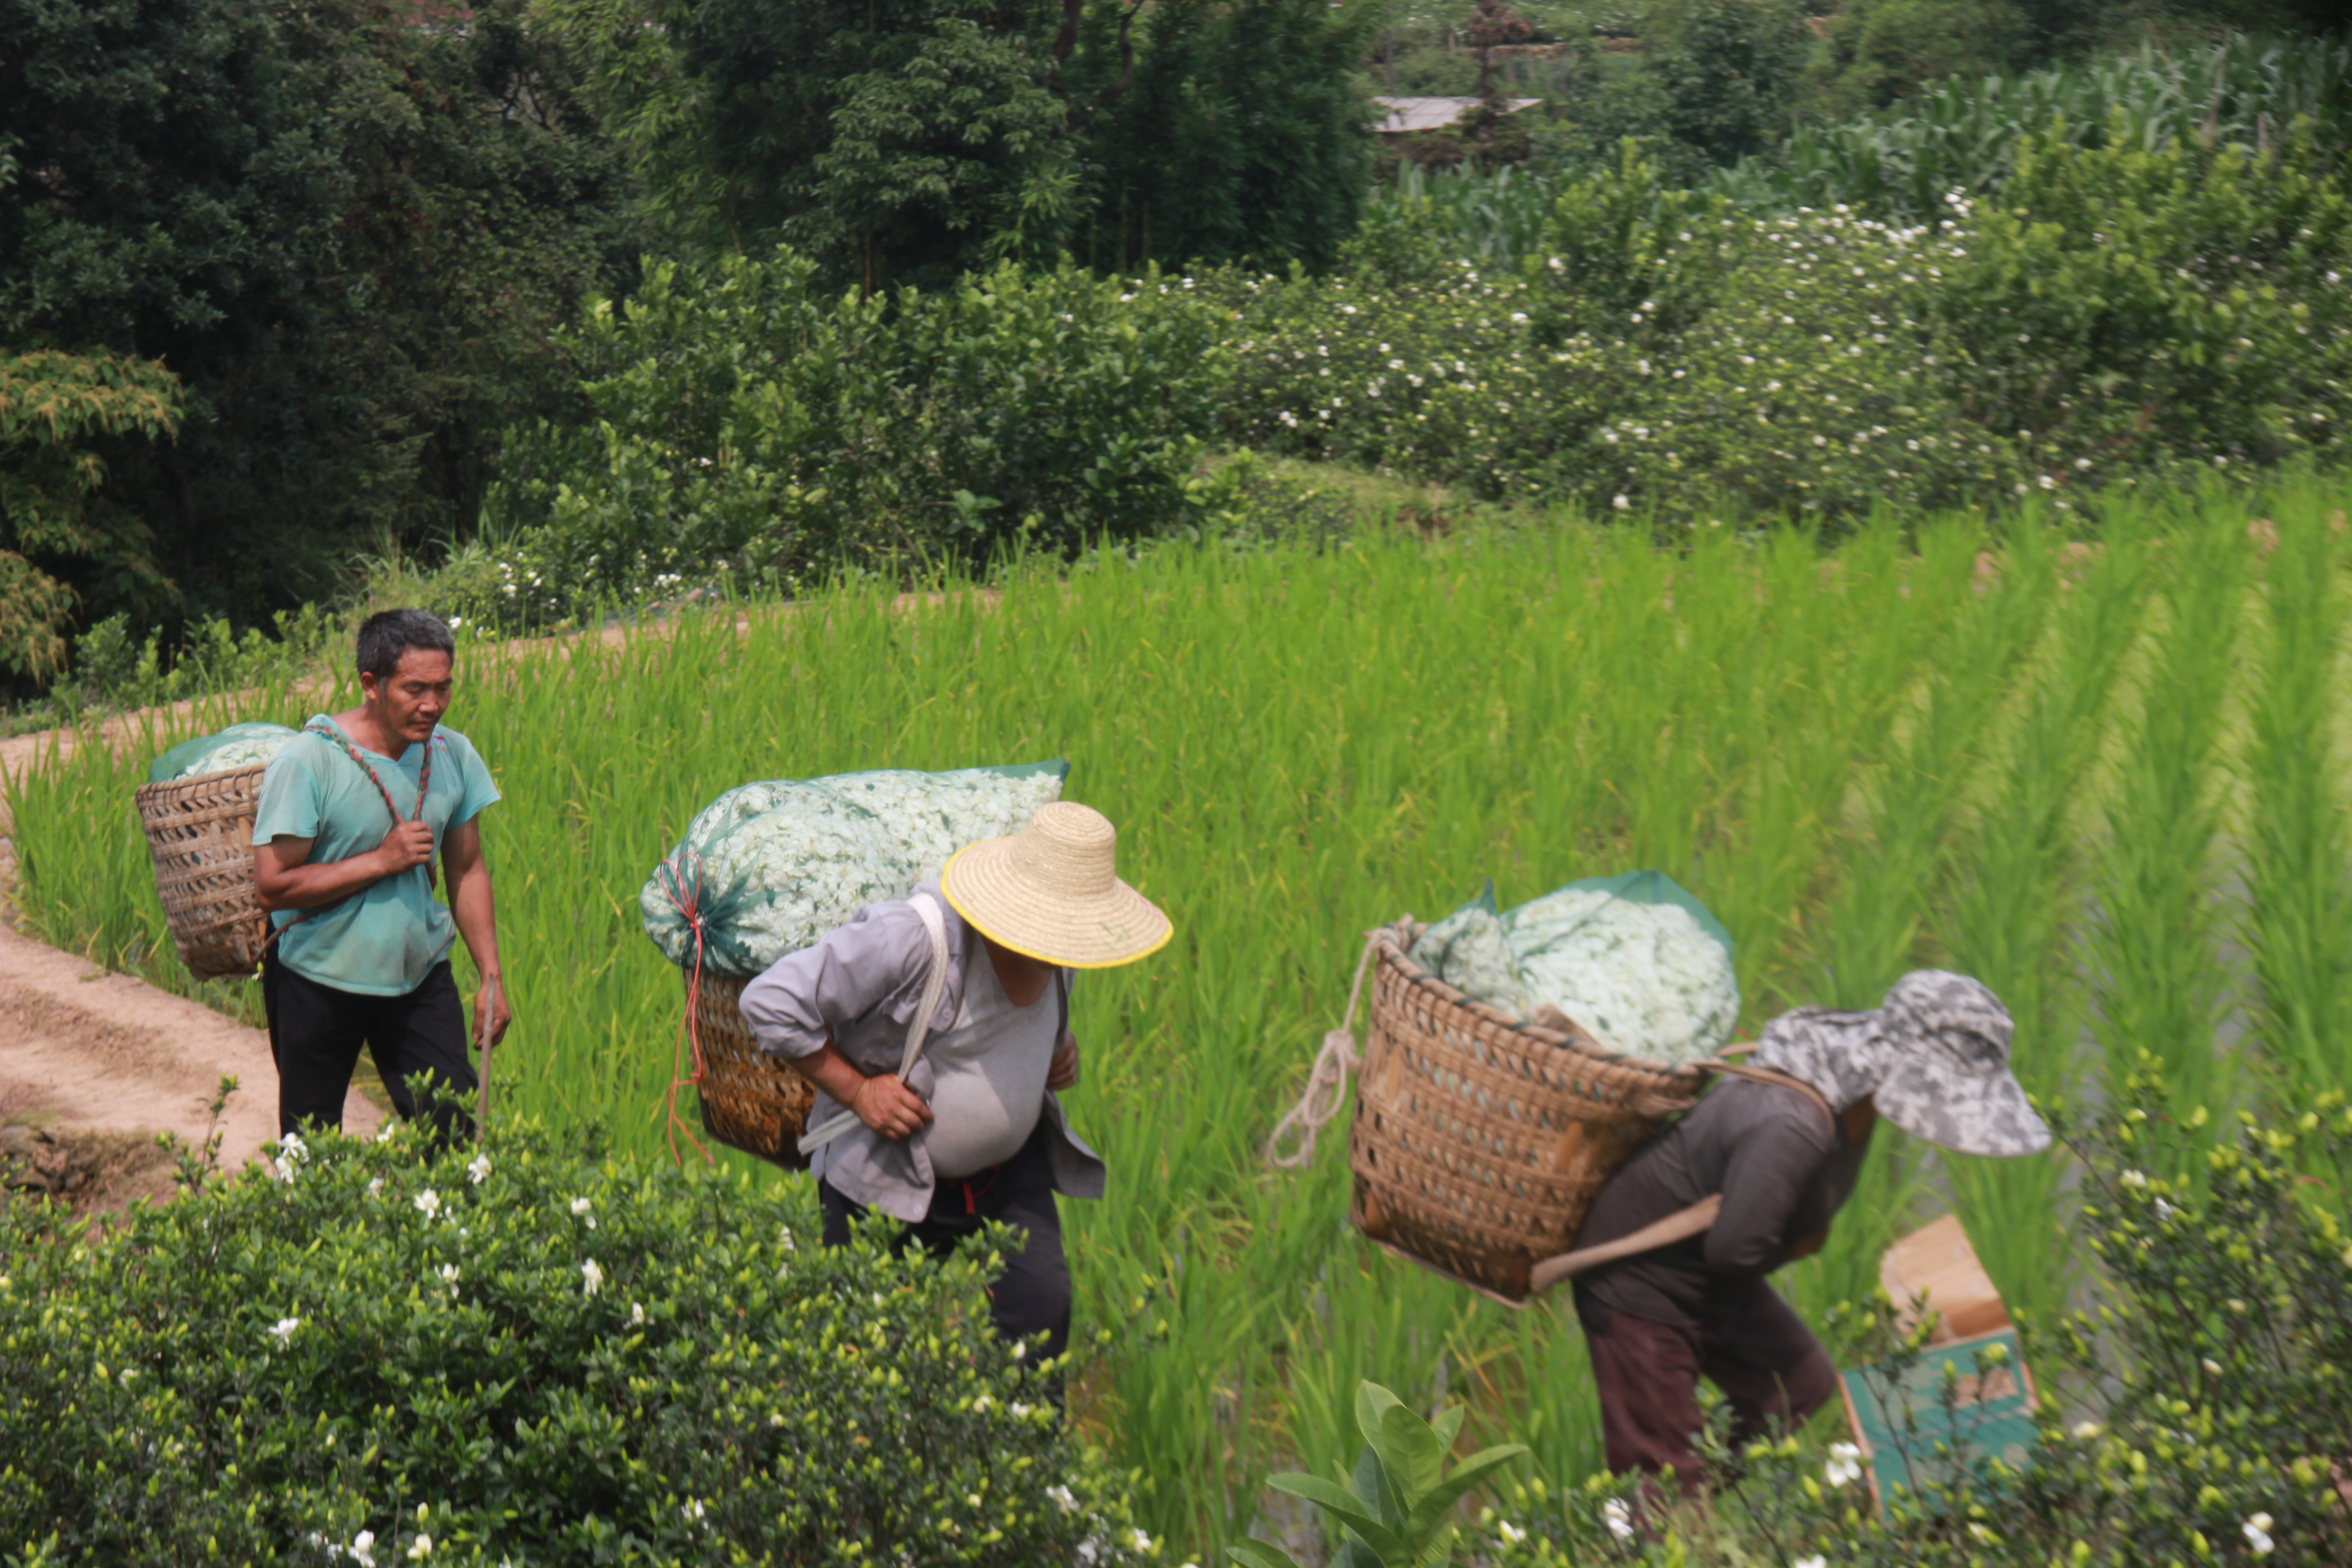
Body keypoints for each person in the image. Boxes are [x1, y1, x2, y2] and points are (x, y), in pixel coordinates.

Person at [1570, 970, 2049, 1498]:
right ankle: (1668, 1517)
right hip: (1642, 1288)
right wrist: (1799, 1244)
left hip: (1703, 1280)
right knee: (1663, 1474)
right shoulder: (1794, 1125)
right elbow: (1733, 1249)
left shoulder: (1849, 1089)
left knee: (1795, 1387)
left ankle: (1693, 1505)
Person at [739, 800, 1169, 1365]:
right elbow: (769, 1003)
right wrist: (859, 1091)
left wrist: (1056, 1052)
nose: (1069, 947)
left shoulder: (1064, 952)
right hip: (884, 1175)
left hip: (1007, 1180)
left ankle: (1019, 1447)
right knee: (861, 1357)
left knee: (1040, 1323)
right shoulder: (913, 941)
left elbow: (1020, 1030)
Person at [251, 608, 510, 1146]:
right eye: (415, 689)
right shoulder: (309, 763)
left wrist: (490, 975)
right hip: (316, 976)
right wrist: (382, 860)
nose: (432, 705)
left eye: (443, 688)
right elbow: (273, 885)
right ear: (371, 684)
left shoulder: (453, 755)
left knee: (453, 1132)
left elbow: (466, 869)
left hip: (417, 974)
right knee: (310, 1146)